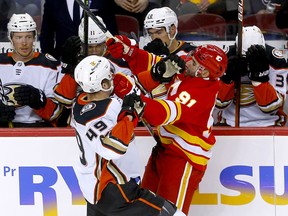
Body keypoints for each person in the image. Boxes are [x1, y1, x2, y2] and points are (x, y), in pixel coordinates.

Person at [109, 43, 228, 215]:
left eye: (193, 62)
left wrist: (136, 99)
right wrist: (129, 51)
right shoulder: (191, 72)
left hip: (183, 158)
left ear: (204, 72)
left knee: (170, 212)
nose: (187, 62)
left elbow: (162, 114)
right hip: (164, 150)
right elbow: (155, 64)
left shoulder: (201, 92)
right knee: (144, 207)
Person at [71, 54, 186, 216]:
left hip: (96, 191)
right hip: (112, 189)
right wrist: (130, 116)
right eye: (109, 77)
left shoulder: (86, 98)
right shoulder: (94, 116)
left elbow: (131, 89)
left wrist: (156, 74)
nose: (113, 77)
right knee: (171, 213)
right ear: (103, 84)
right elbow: (111, 147)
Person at [53, 16, 132, 126]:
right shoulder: (73, 58)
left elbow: (130, 97)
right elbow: (64, 101)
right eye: (89, 47)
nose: (94, 51)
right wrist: (71, 69)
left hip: (112, 121)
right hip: (80, 123)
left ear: (105, 42)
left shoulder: (120, 61)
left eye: (98, 45)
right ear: (81, 44)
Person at [215, 25, 288, 127]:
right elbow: (218, 105)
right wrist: (227, 79)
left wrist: (260, 78)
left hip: (268, 123)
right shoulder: (224, 58)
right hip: (229, 123)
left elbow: (272, 107)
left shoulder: (275, 61)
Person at [0, 13, 63, 127]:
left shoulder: (50, 65)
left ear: (35, 37)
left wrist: (39, 100)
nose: (24, 43)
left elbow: (56, 113)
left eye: (28, 37)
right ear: (11, 38)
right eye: (18, 37)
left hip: (37, 129)